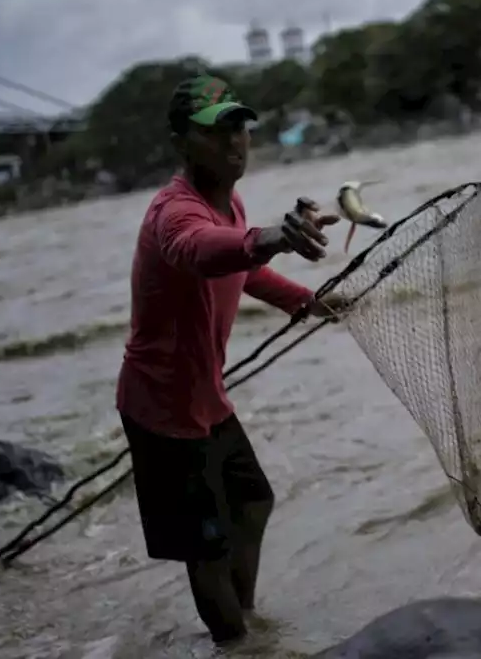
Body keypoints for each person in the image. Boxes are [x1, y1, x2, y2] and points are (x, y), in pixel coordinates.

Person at [116, 74, 346, 645]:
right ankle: (234, 642)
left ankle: (243, 628)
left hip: (206, 399)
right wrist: (270, 236)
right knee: (207, 546)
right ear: (181, 142)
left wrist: (304, 300)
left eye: (240, 127)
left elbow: (240, 268)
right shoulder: (172, 214)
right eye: (216, 131)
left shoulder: (231, 202)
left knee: (254, 501)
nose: (234, 142)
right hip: (163, 410)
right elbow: (201, 251)